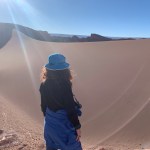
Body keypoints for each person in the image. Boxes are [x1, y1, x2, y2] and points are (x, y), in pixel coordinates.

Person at [39, 53, 82, 150]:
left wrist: (51, 120)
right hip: (63, 126)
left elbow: (43, 106)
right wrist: (77, 127)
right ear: (65, 70)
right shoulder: (65, 85)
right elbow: (70, 108)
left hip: (49, 124)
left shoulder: (43, 84)